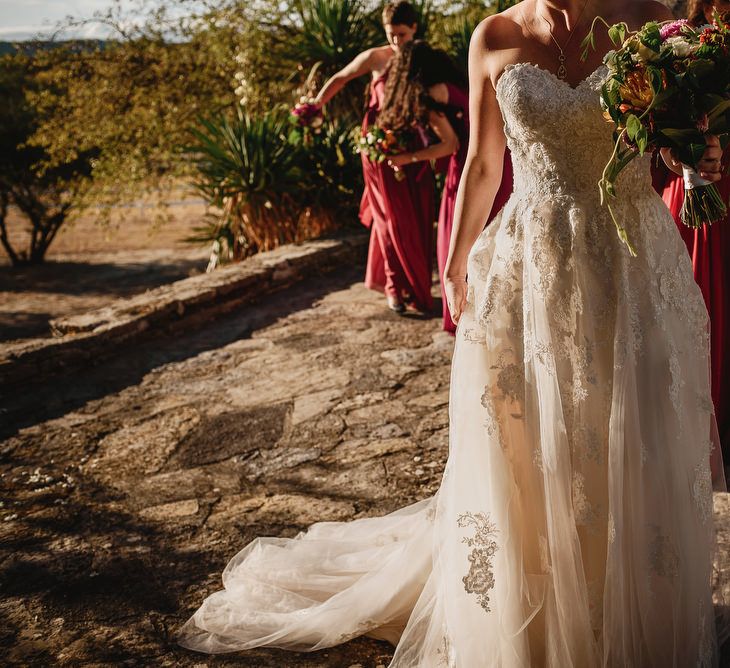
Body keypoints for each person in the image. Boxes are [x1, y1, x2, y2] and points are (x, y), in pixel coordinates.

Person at [179, 0, 727, 664]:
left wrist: (699, 149)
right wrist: (457, 256)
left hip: (631, 257)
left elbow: (675, 133)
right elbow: (483, 164)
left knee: (632, 430)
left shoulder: (652, 17)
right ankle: (548, 616)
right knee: (537, 443)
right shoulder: (493, 34)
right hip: (534, 263)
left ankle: (634, 606)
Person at [381, 42, 514, 333]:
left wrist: (408, 157)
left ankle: (465, 313)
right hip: (500, 160)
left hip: (470, 164)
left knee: (454, 241)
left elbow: (450, 144)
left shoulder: (431, 94)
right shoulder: (454, 83)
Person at [314, 1, 434, 313]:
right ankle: (395, 287)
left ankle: (415, 283)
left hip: (414, 150)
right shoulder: (376, 57)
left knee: (416, 218)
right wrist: (315, 105)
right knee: (389, 219)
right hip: (379, 150)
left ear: (414, 30)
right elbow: (340, 78)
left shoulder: (421, 58)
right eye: (391, 34)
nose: (397, 41)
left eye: (402, 35)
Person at [652, 0, 730, 464]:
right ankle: (702, 420)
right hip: (700, 184)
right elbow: (661, 135)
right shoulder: (677, 38)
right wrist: (689, 156)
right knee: (698, 300)